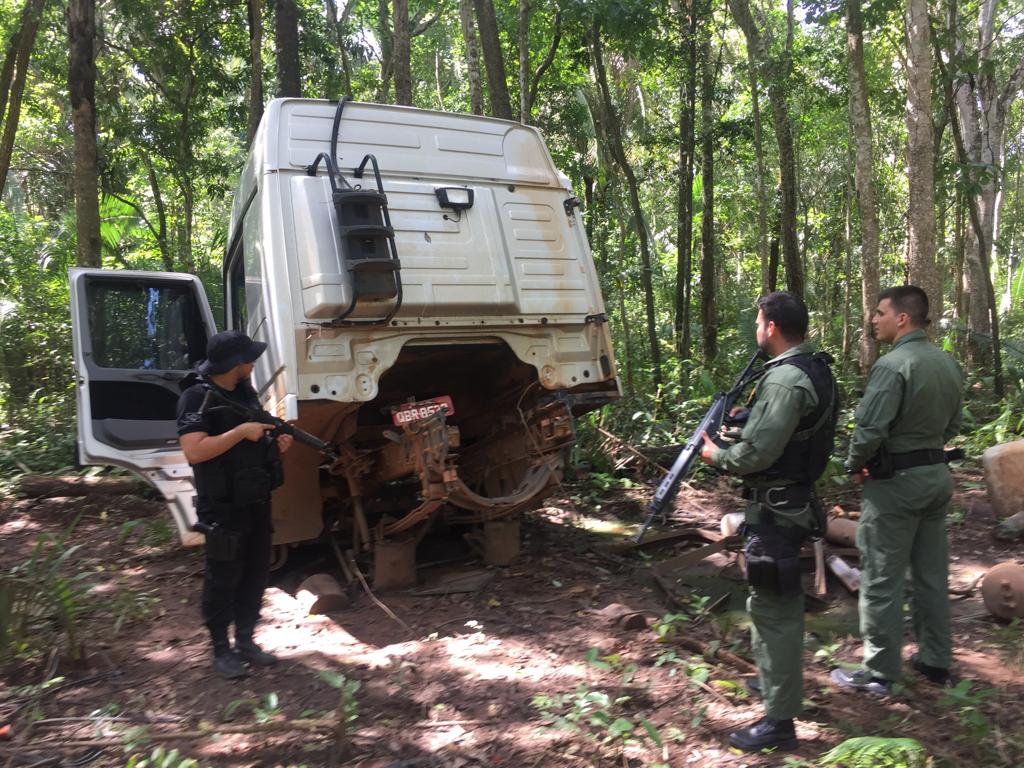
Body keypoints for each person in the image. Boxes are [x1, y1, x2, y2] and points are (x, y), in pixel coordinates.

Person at [699, 291, 838, 752]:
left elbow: (757, 454)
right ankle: (775, 682)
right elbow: (789, 432)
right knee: (775, 605)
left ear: (772, 327)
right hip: (791, 503)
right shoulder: (815, 368)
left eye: (759, 321)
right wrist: (746, 421)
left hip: (778, 511)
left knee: (774, 609)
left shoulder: (784, 379)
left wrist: (717, 454)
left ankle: (779, 722)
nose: (757, 329)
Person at [832, 285, 962, 695]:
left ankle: (879, 673)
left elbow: (870, 428)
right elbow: (953, 426)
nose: (874, 319)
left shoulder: (893, 366)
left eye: (880, 312)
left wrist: (855, 465)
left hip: (894, 486)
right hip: (936, 480)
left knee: (881, 578)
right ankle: (935, 661)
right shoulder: (947, 363)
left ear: (902, 318)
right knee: (931, 575)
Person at [176, 330, 294, 679]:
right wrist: (240, 432)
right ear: (233, 364)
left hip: (256, 499)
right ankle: (220, 650)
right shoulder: (195, 397)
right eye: (248, 359)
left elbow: (254, 443)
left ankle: (245, 640)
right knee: (223, 577)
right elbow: (194, 451)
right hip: (222, 506)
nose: (253, 363)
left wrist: (276, 443)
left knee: (256, 572)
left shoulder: (245, 393)